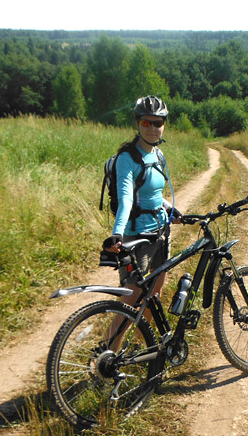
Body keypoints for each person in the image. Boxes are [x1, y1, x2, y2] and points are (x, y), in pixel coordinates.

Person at [102, 95, 180, 348]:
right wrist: (117, 235)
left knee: (154, 296)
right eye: (147, 123)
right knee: (131, 302)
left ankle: (146, 346)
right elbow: (126, 200)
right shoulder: (127, 158)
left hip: (160, 234)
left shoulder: (158, 154)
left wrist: (172, 209)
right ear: (137, 123)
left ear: (164, 125)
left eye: (158, 123)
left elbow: (155, 195)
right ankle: (107, 357)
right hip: (136, 239)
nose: (153, 128)